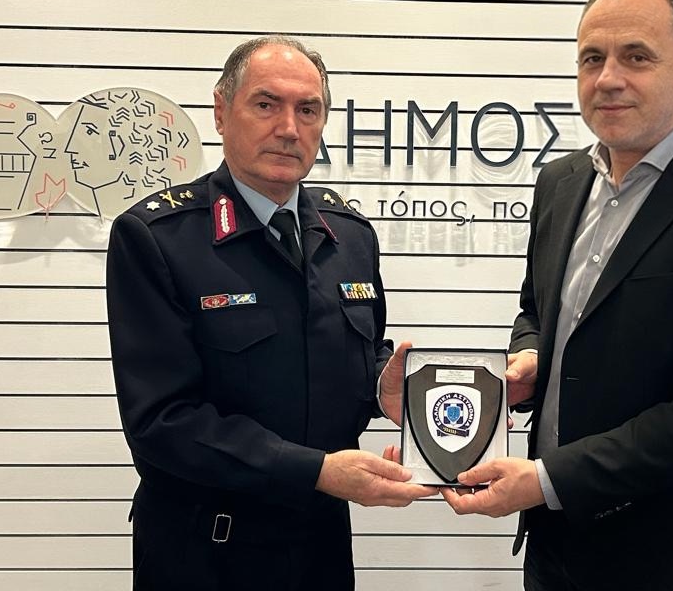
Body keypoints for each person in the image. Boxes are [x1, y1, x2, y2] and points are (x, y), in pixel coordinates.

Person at [442, 0, 673, 590]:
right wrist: (531, 354)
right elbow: (537, 310)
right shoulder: (559, 182)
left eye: (636, 57)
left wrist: (546, 480)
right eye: (592, 58)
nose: (608, 78)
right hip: (555, 544)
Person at [106, 35, 434, 590]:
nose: (288, 128)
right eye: (266, 104)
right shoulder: (158, 238)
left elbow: (340, 357)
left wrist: (382, 387)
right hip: (205, 551)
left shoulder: (349, 234)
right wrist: (317, 470)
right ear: (220, 111)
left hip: (319, 548)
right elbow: (161, 423)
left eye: (308, 110)